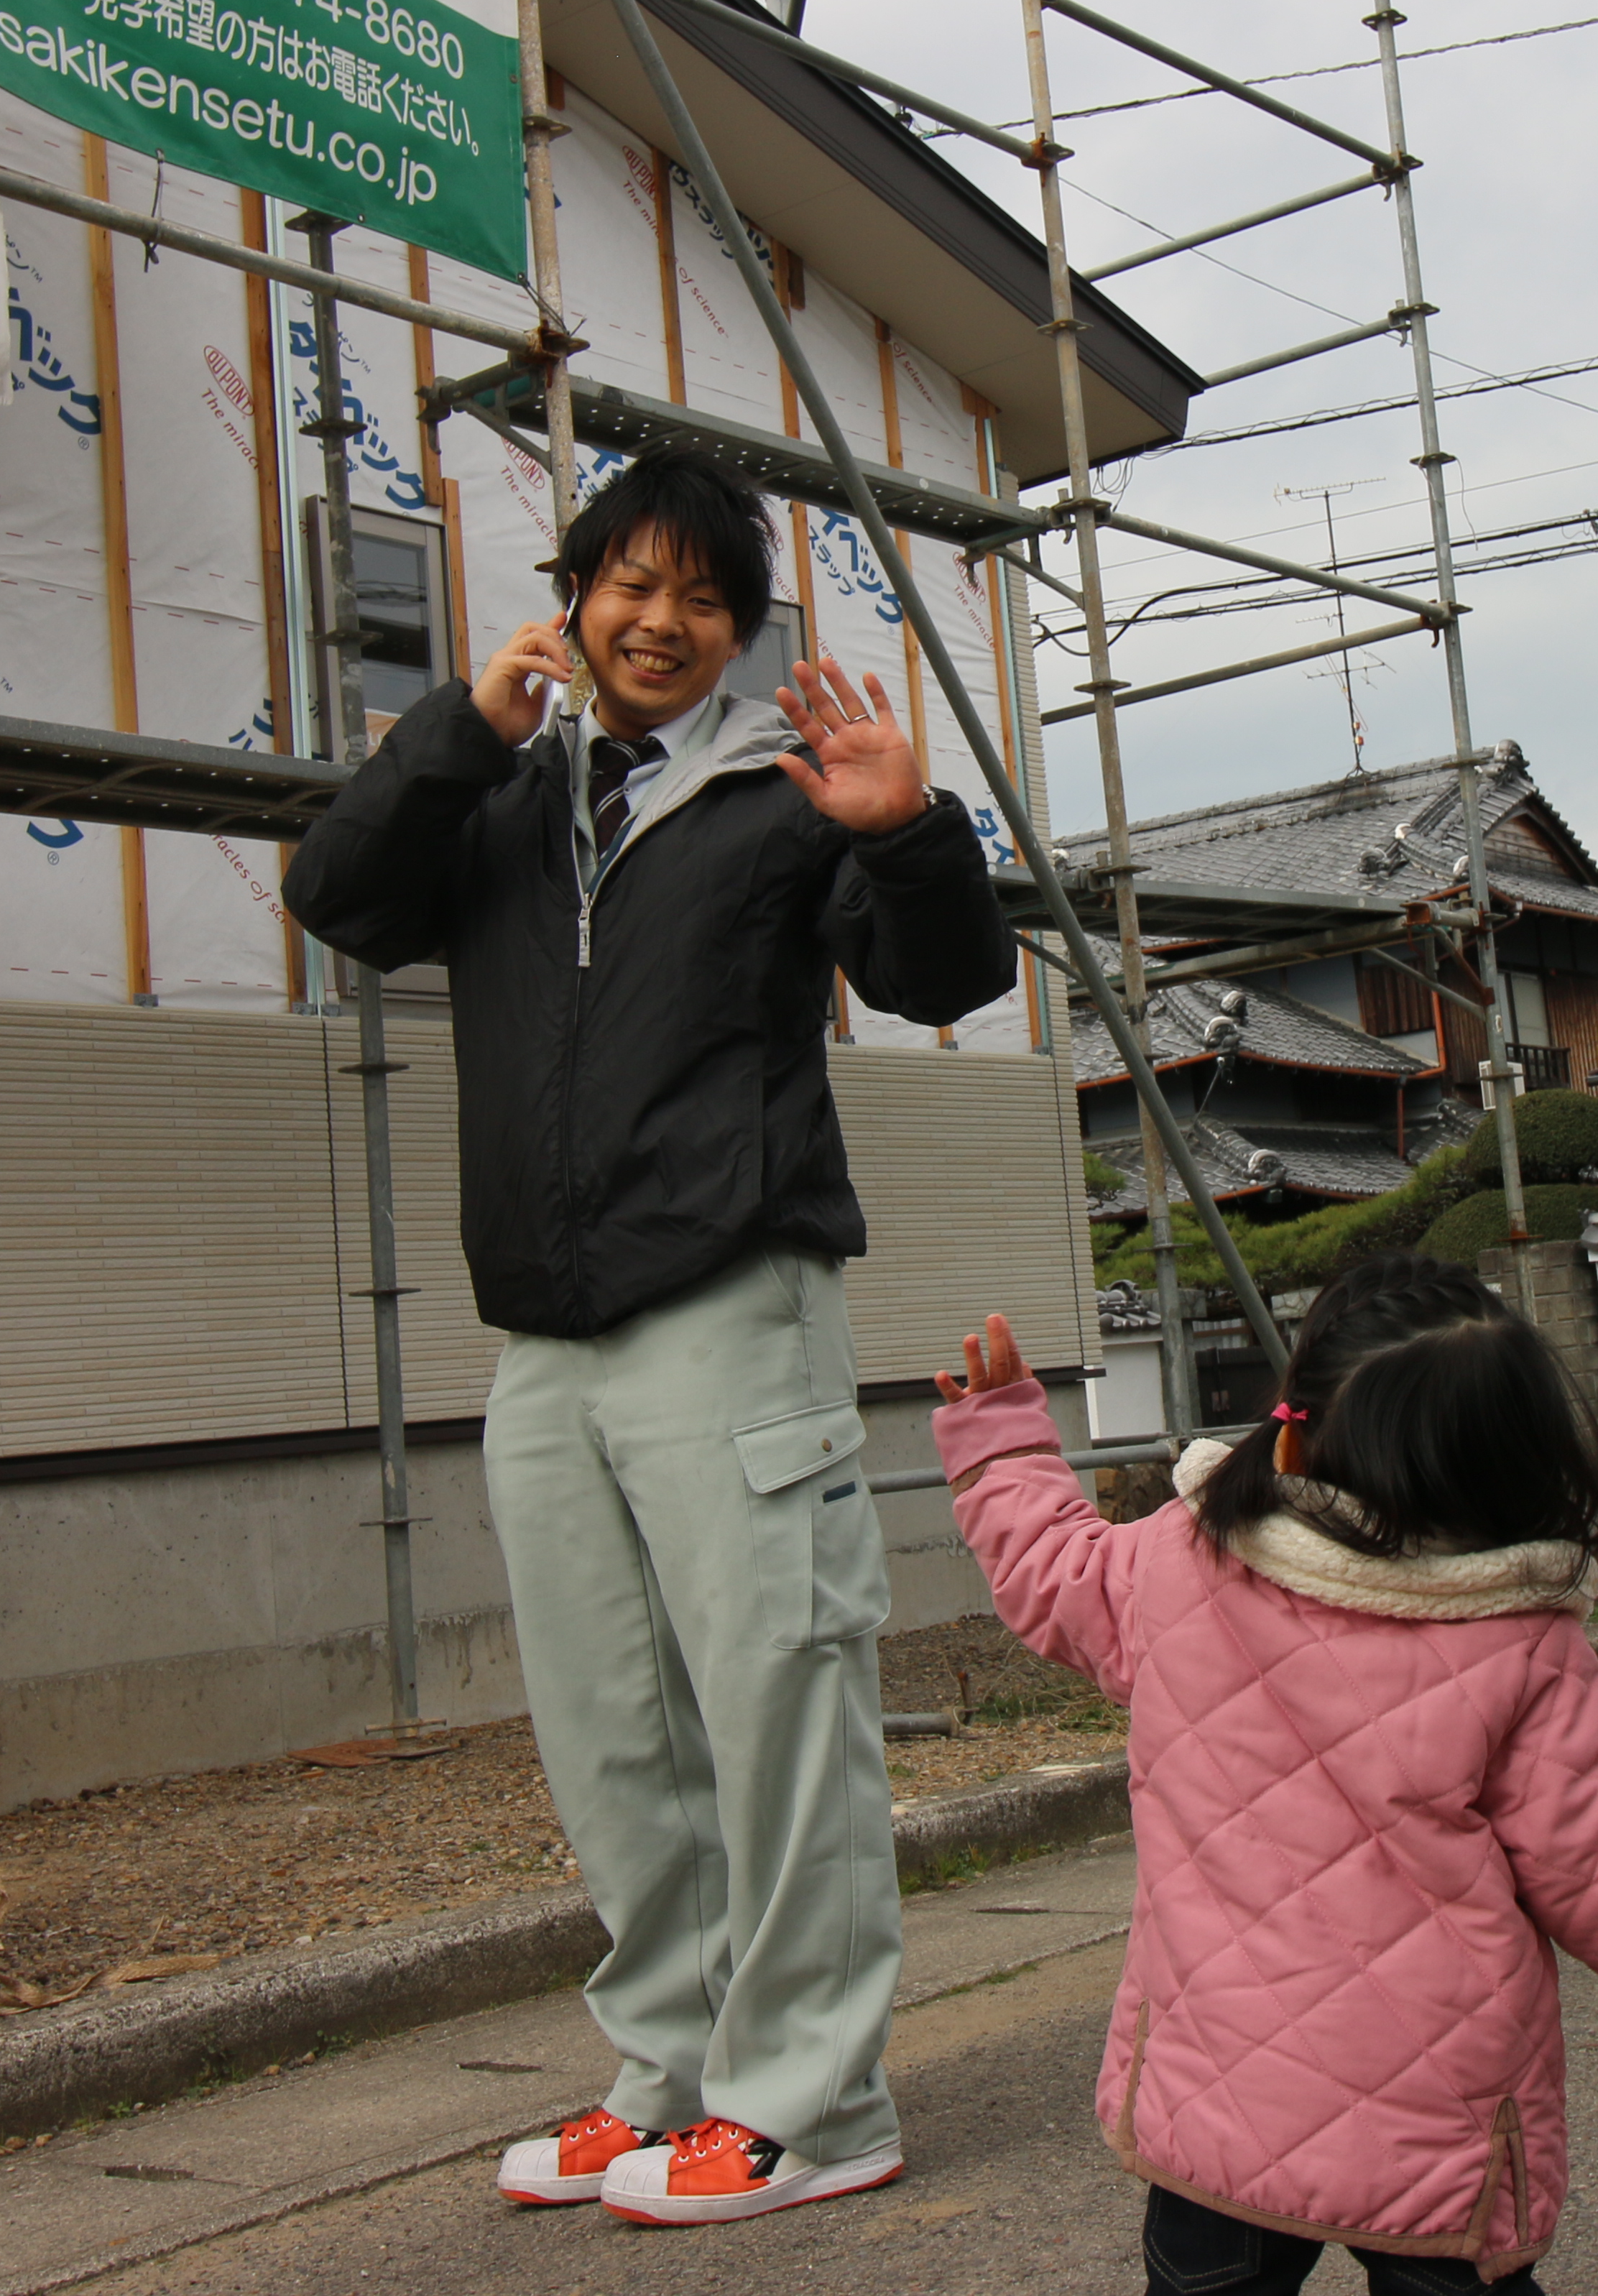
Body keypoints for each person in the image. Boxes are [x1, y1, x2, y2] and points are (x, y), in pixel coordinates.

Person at [282, 447, 1016, 2226]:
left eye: (701, 597)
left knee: (774, 1706)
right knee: (613, 1731)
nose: (660, 620)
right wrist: (455, 731)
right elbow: (337, 898)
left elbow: (943, 977)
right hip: (544, 1337)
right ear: (576, 594)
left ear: (739, 629)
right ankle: (673, 2076)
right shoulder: (505, 806)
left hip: (727, 1312)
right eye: (631, 584)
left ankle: (815, 2101)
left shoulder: (781, 798)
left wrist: (908, 834)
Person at [929, 1256, 1598, 2291]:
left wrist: (1004, 1437)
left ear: (1292, 1427)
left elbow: (1051, 1570)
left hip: (1219, 2104)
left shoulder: (1184, 1561)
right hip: (1435, 2122)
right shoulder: (1521, 1639)